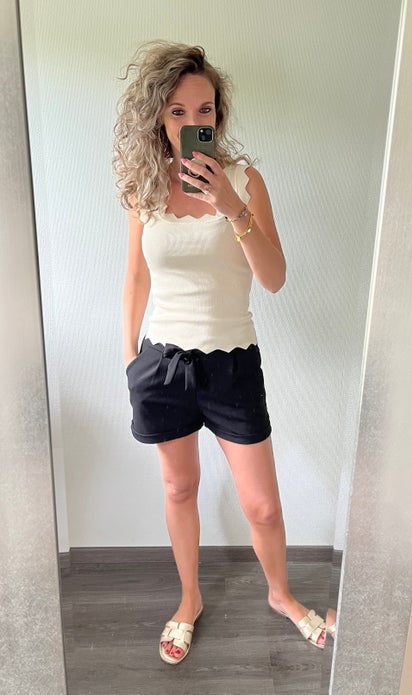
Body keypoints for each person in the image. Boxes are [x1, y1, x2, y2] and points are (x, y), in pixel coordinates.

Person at [113, 40, 332, 665]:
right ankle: (190, 599)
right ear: (160, 117)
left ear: (218, 114)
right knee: (179, 488)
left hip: (232, 362)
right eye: (178, 111)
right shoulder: (142, 189)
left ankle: (280, 595)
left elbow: (275, 278)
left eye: (204, 110)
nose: (193, 121)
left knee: (262, 504)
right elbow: (135, 278)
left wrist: (232, 209)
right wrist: (130, 358)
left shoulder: (244, 182)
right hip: (162, 364)